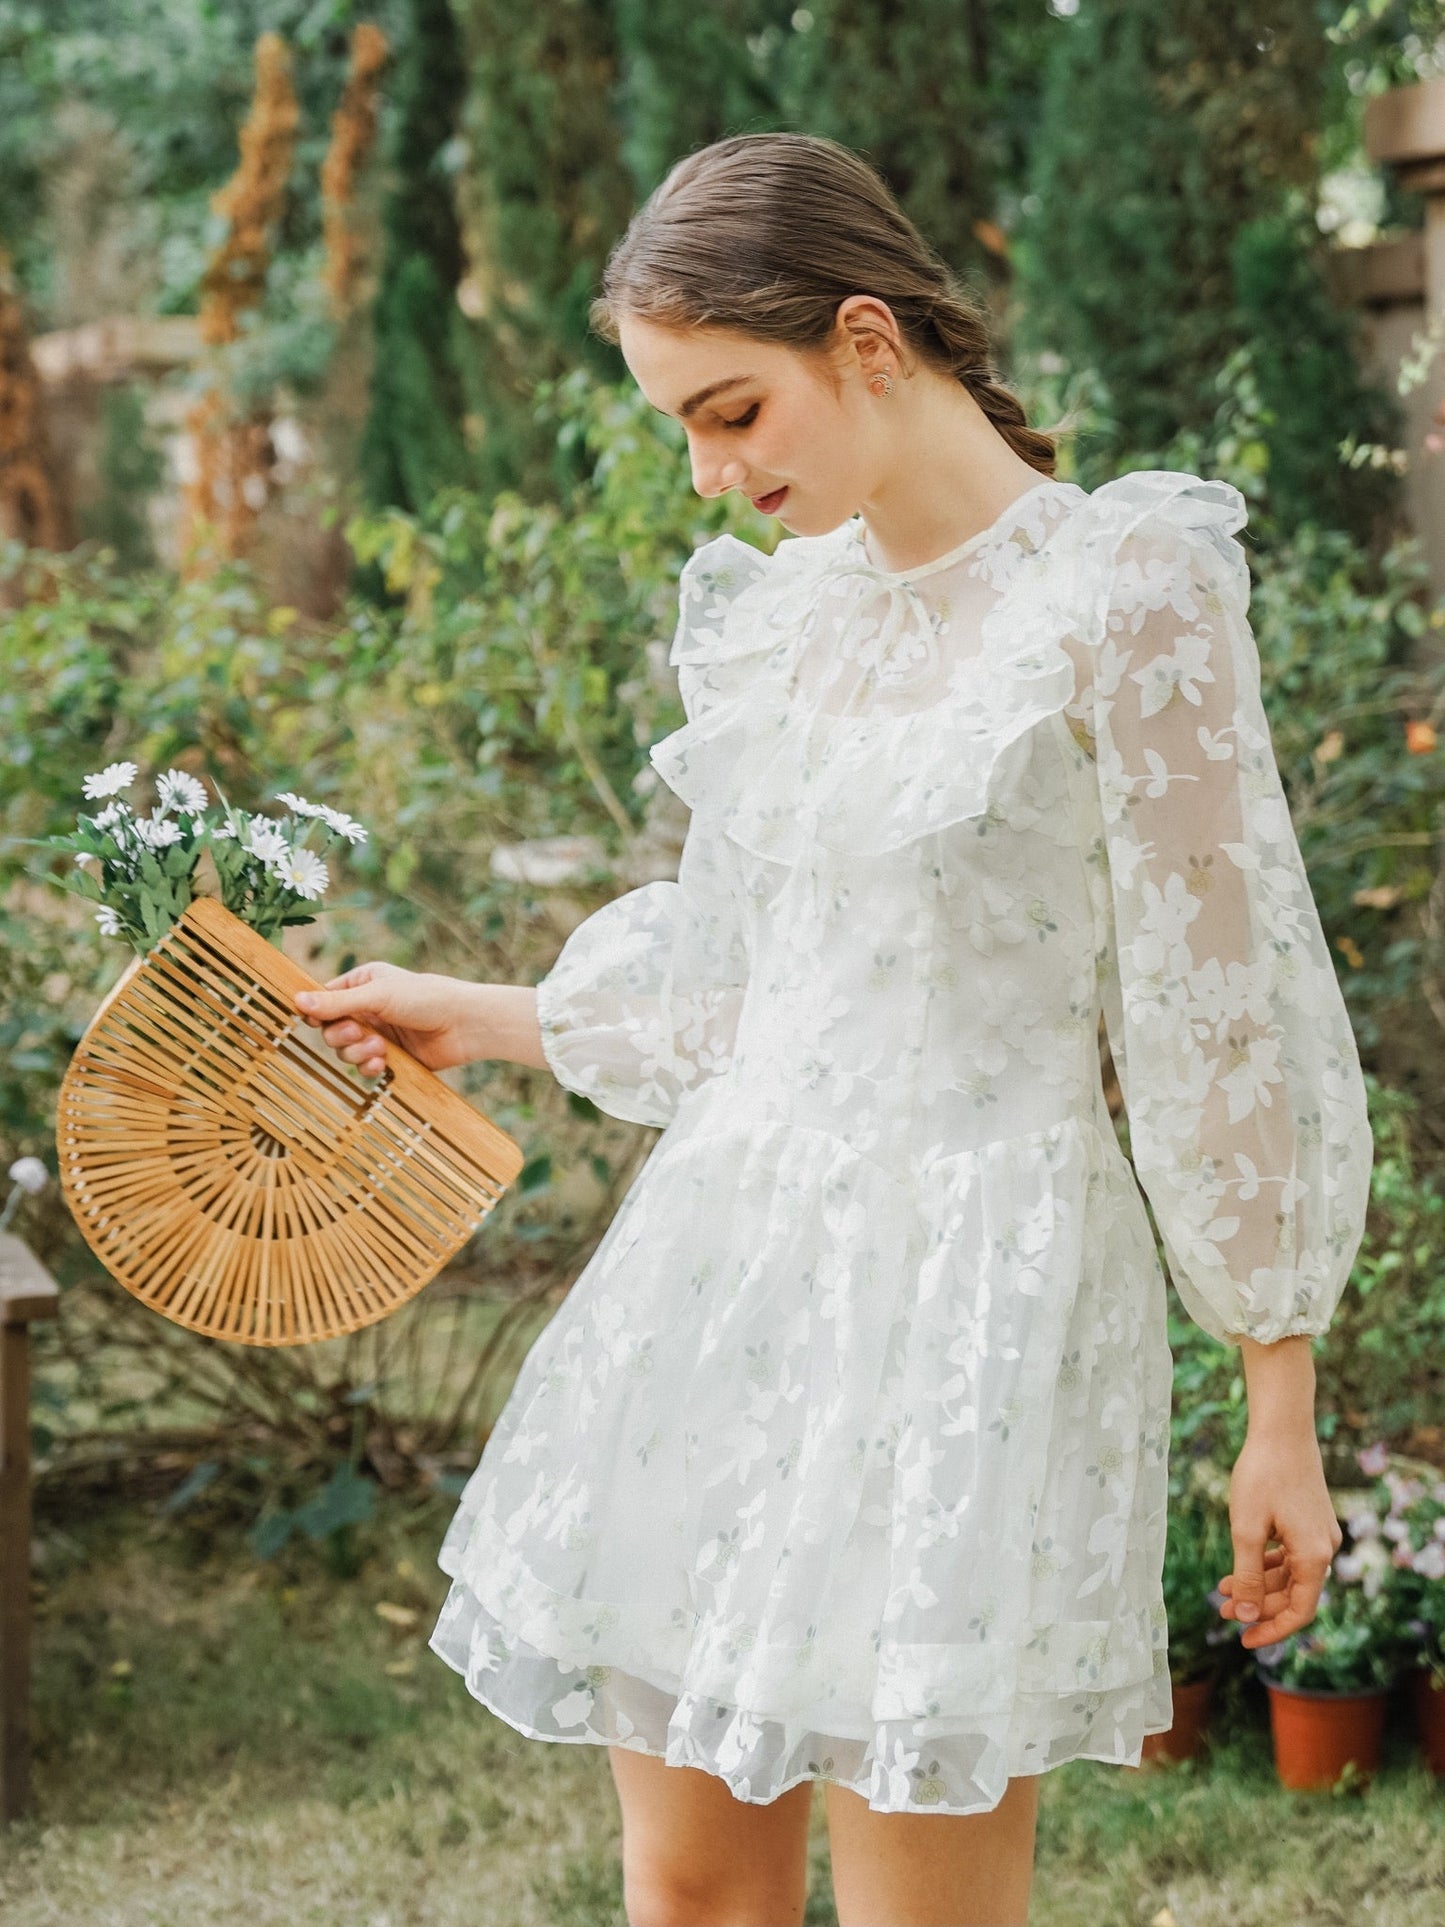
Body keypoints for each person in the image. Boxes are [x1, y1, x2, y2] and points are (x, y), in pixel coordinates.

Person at [293, 132, 1372, 1927]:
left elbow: (1224, 1008)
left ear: (867, 339)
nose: (713, 478)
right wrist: (468, 1020)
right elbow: (740, 991)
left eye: (732, 412)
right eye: (682, 433)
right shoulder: (787, 625)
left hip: (978, 1292)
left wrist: (1279, 1394)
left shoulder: (1125, 593)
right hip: (727, 1270)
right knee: (689, 1893)